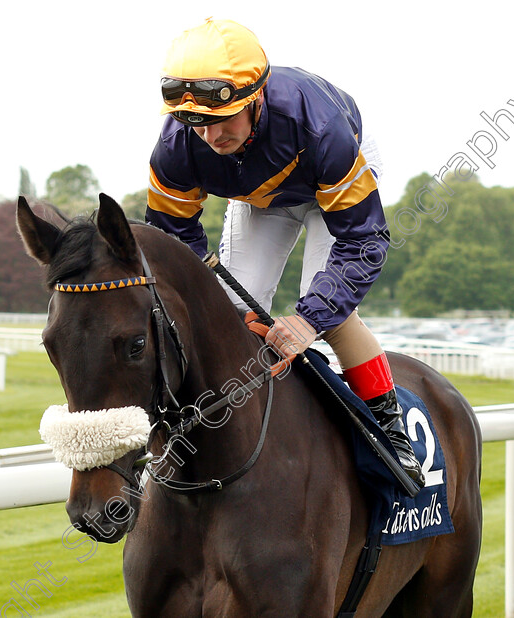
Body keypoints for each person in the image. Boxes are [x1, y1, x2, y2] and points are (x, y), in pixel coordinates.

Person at [145, 19, 423, 485]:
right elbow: (174, 242)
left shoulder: (321, 130)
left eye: (221, 119)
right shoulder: (176, 146)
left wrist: (309, 320)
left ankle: (391, 432)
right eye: (197, 123)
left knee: (331, 313)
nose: (211, 138)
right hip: (261, 196)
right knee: (227, 308)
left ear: (254, 97)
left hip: (329, 184)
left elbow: (363, 240)